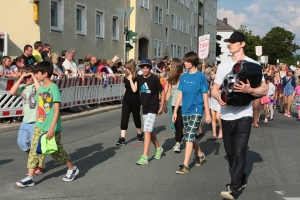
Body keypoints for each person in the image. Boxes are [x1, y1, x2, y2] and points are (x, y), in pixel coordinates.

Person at [211, 31, 267, 199]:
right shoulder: (223, 65)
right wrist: (219, 97)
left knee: (240, 150)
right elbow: (214, 89)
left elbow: (264, 89)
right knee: (230, 153)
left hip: (244, 114)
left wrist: (249, 90)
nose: (230, 44)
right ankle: (240, 179)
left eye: (234, 42)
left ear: (242, 44)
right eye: (229, 42)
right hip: (226, 115)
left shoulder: (253, 64)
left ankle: (233, 188)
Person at [15, 61, 79, 188]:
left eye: (37, 73)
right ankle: (30, 177)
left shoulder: (53, 88)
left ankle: (72, 168)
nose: (35, 75)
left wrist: (51, 127)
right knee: (34, 151)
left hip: (51, 127)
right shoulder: (42, 87)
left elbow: (56, 110)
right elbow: (37, 87)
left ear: (44, 74)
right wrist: (31, 75)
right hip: (39, 125)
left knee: (56, 152)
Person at [172, 52, 211, 174]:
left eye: (187, 61)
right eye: (185, 61)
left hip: (196, 109)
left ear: (193, 62)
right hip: (185, 110)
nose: (185, 63)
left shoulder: (201, 76)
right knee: (191, 135)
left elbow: (205, 95)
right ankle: (200, 154)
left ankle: (185, 165)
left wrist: (208, 113)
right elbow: (180, 94)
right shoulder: (183, 77)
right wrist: (175, 111)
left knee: (188, 135)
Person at [9, 65, 45, 175]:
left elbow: (41, 91)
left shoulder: (38, 85)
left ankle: (37, 166)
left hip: (36, 121)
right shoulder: (23, 87)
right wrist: (20, 78)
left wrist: (33, 77)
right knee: (22, 143)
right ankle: (36, 158)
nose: (26, 79)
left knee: (35, 145)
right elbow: (12, 92)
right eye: (25, 77)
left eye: (28, 76)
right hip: (25, 121)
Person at [135, 59, 165, 165]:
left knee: (146, 130)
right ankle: (158, 148)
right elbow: (136, 90)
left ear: (150, 68)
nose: (145, 69)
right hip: (145, 107)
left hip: (153, 106)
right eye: (143, 67)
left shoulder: (154, 78)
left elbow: (162, 91)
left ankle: (145, 156)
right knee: (150, 130)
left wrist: (162, 106)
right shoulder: (139, 78)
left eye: (147, 67)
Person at [116, 60, 142, 146]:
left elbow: (135, 89)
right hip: (127, 100)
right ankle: (122, 138)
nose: (127, 70)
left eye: (128, 68)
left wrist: (131, 79)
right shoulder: (125, 76)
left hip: (135, 100)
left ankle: (139, 133)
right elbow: (126, 88)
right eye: (126, 68)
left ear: (132, 68)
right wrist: (123, 95)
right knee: (124, 118)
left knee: (136, 117)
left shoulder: (137, 77)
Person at [165, 58, 184, 153]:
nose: (169, 66)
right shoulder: (171, 78)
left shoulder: (184, 77)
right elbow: (169, 91)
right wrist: (165, 103)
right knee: (176, 123)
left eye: (171, 65)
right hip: (173, 103)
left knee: (180, 122)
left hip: (183, 103)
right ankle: (179, 137)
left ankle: (178, 142)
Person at [208, 69, 223, 139]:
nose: (211, 76)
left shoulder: (221, 83)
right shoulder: (211, 83)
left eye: (212, 74)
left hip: (219, 101)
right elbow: (209, 92)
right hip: (212, 101)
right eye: (211, 74)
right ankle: (214, 133)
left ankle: (221, 130)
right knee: (213, 117)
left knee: (218, 117)